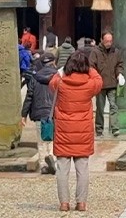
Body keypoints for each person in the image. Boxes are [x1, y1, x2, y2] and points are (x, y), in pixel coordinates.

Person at [50, 48, 103, 212]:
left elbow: (52, 83)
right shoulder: (90, 84)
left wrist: (61, 70)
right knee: (83, 168)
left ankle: (64, 203)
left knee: (62, 169)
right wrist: (89, 68)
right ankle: (81, 203)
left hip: (64, 130)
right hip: (83, 130)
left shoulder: (60, 82)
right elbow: (99, 80)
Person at [22, 50, 59, 174]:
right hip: (54, 112)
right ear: (53, 62)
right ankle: (52, 158)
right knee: (53, 138)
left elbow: (29, 96)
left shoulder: (35, 77)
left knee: (41, 140)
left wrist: (23, 114)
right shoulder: (58, 77)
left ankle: (43, 164)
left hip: (39, 112)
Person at [88, 32, 124, 137]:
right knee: (100, 108)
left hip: (112, 83)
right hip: (100, 85)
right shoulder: (95, 52)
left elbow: (119, 64)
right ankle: (99, 129)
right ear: (102, 40)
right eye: (107, 41)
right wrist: (95, 79)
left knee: (114, 106)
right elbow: (91, 67)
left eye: (110, 41)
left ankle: (115, 128)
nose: (109, 43)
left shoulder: (116, 52)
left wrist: (119, 74)